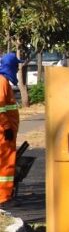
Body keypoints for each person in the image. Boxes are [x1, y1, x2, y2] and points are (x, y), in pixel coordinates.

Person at [0, 53, 20, 207]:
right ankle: (4, 198)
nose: (18, 68)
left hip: (6, 132)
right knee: (6, 164)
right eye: (16, 65)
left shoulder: (4, 81)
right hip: (4, 133)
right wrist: (7, 127)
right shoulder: (2, 82)